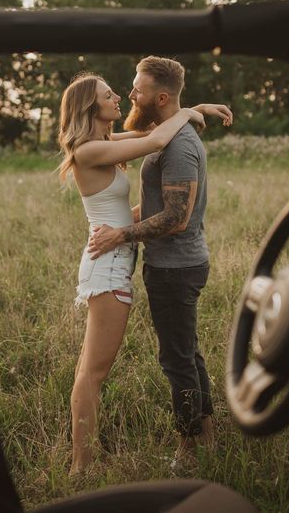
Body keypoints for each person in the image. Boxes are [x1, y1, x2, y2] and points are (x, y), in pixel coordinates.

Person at [58, 72, 230, 476]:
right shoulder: (86, 151)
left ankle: (85, 462)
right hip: (109, 263)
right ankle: (80, 467)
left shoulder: (101, 143)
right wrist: (189, 110)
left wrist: (194, 108)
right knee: (92, 372)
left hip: (115, 257)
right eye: (108, 94)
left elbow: (154, 129)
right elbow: (154, 140)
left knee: (93, 369)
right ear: (89, 107)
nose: (119, 95)